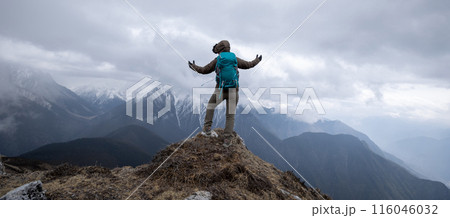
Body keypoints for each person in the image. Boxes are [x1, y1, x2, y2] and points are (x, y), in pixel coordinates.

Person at [188, 40, 262, 147]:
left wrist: (193, 66)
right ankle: (227, 140)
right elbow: (249, 65)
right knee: (230, 115)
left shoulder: (218, 59)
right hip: (233, 90)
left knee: (210, 106)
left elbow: (204, 70)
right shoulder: (234, 59)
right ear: (229, 48)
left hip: (220, 90)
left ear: (219, 49)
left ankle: (207, 130)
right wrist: (257, 60)